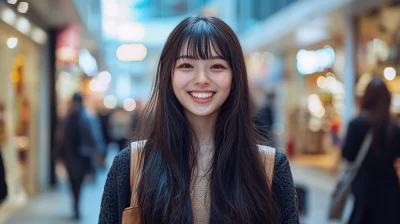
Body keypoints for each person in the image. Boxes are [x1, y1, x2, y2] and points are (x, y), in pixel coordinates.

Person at [99, 16, 298, 224]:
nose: (202, 79)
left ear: (235, 76)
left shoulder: (271, 168)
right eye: (186, 65)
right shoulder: (130, 166)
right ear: (169, 75)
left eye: (217, 66)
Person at [342, 77, 400, 224]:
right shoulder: (393, 128)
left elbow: (347, 154)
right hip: (390, 191)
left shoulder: (357, 124)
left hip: (364, 190)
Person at [61, 93, 98, 220]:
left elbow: (93, 138)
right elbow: (61, 139)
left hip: (79, 158)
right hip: (72, 158)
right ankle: (76, 207)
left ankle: (76, 207)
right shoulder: (70, 118)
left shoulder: (84, 118)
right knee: (73, 184)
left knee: (78, 184)